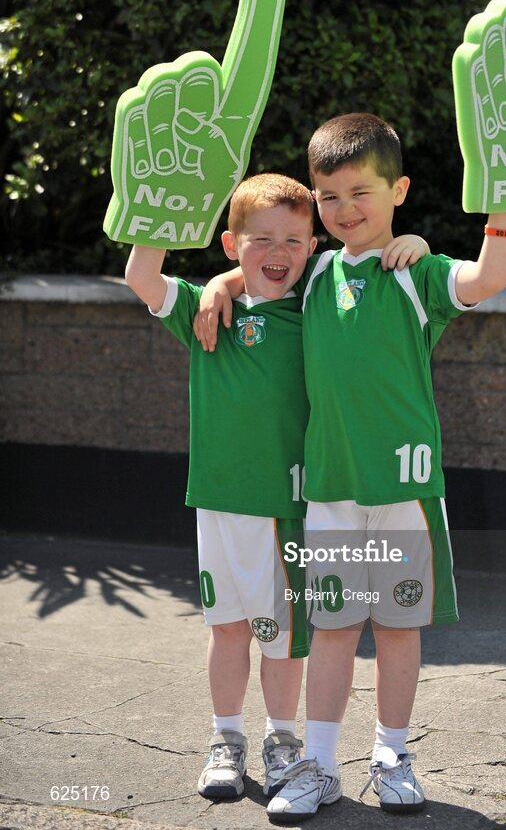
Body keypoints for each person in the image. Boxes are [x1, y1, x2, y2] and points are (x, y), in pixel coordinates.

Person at [195, 114, 506, 821]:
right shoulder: (312, 272)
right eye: (329, 196)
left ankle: (392, 754)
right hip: (330, 493)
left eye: (360, 193)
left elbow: (492, 275)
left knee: (398, 629)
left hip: (402, 490)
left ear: (397, 188)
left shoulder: (418, 273)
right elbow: (265, 258)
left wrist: (504, 199)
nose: (345, 209)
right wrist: (221, 283)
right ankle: (317, 767)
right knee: (335, 630)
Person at [124, 169, 427, 807]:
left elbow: (372, 267)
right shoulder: (210, 310)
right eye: (260, 241)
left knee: (284, 635)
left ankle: (283, 739)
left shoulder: (316, 308)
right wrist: (159, 212)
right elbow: (141, 279)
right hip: (219, 500)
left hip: (292, 505)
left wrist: (418, 244)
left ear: (313, 247)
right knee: (227, 627)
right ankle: (225, 738)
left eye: (294, 240)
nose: (279, 253)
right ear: (231, 244)